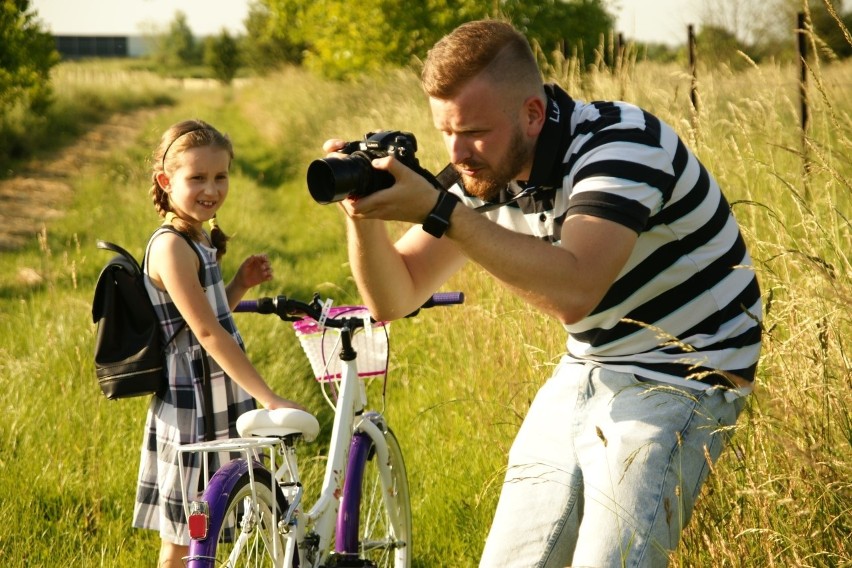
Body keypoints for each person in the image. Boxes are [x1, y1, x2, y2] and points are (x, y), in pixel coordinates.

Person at [324, 19, 762, 568]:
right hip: (591, 361)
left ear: (532, 113)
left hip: (685, 371)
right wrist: (362, 213)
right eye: (445, 132)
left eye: (474, 131)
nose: (458, 153)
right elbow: (396, 297)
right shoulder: (481, 168)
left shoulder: (621, 144)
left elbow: (575, 289)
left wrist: (443, 213)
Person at [132, 119, 305, 567]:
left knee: (207, 523)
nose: (211, 189)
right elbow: (207, 334)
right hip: (191, 405)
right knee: (181, 540)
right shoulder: (171, 247)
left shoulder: (197, 237)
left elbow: (203, 318)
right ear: (166, 182)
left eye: (220, 176)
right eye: (197, 178)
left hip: (215, 395)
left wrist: (239, 285)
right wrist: (268, 398)